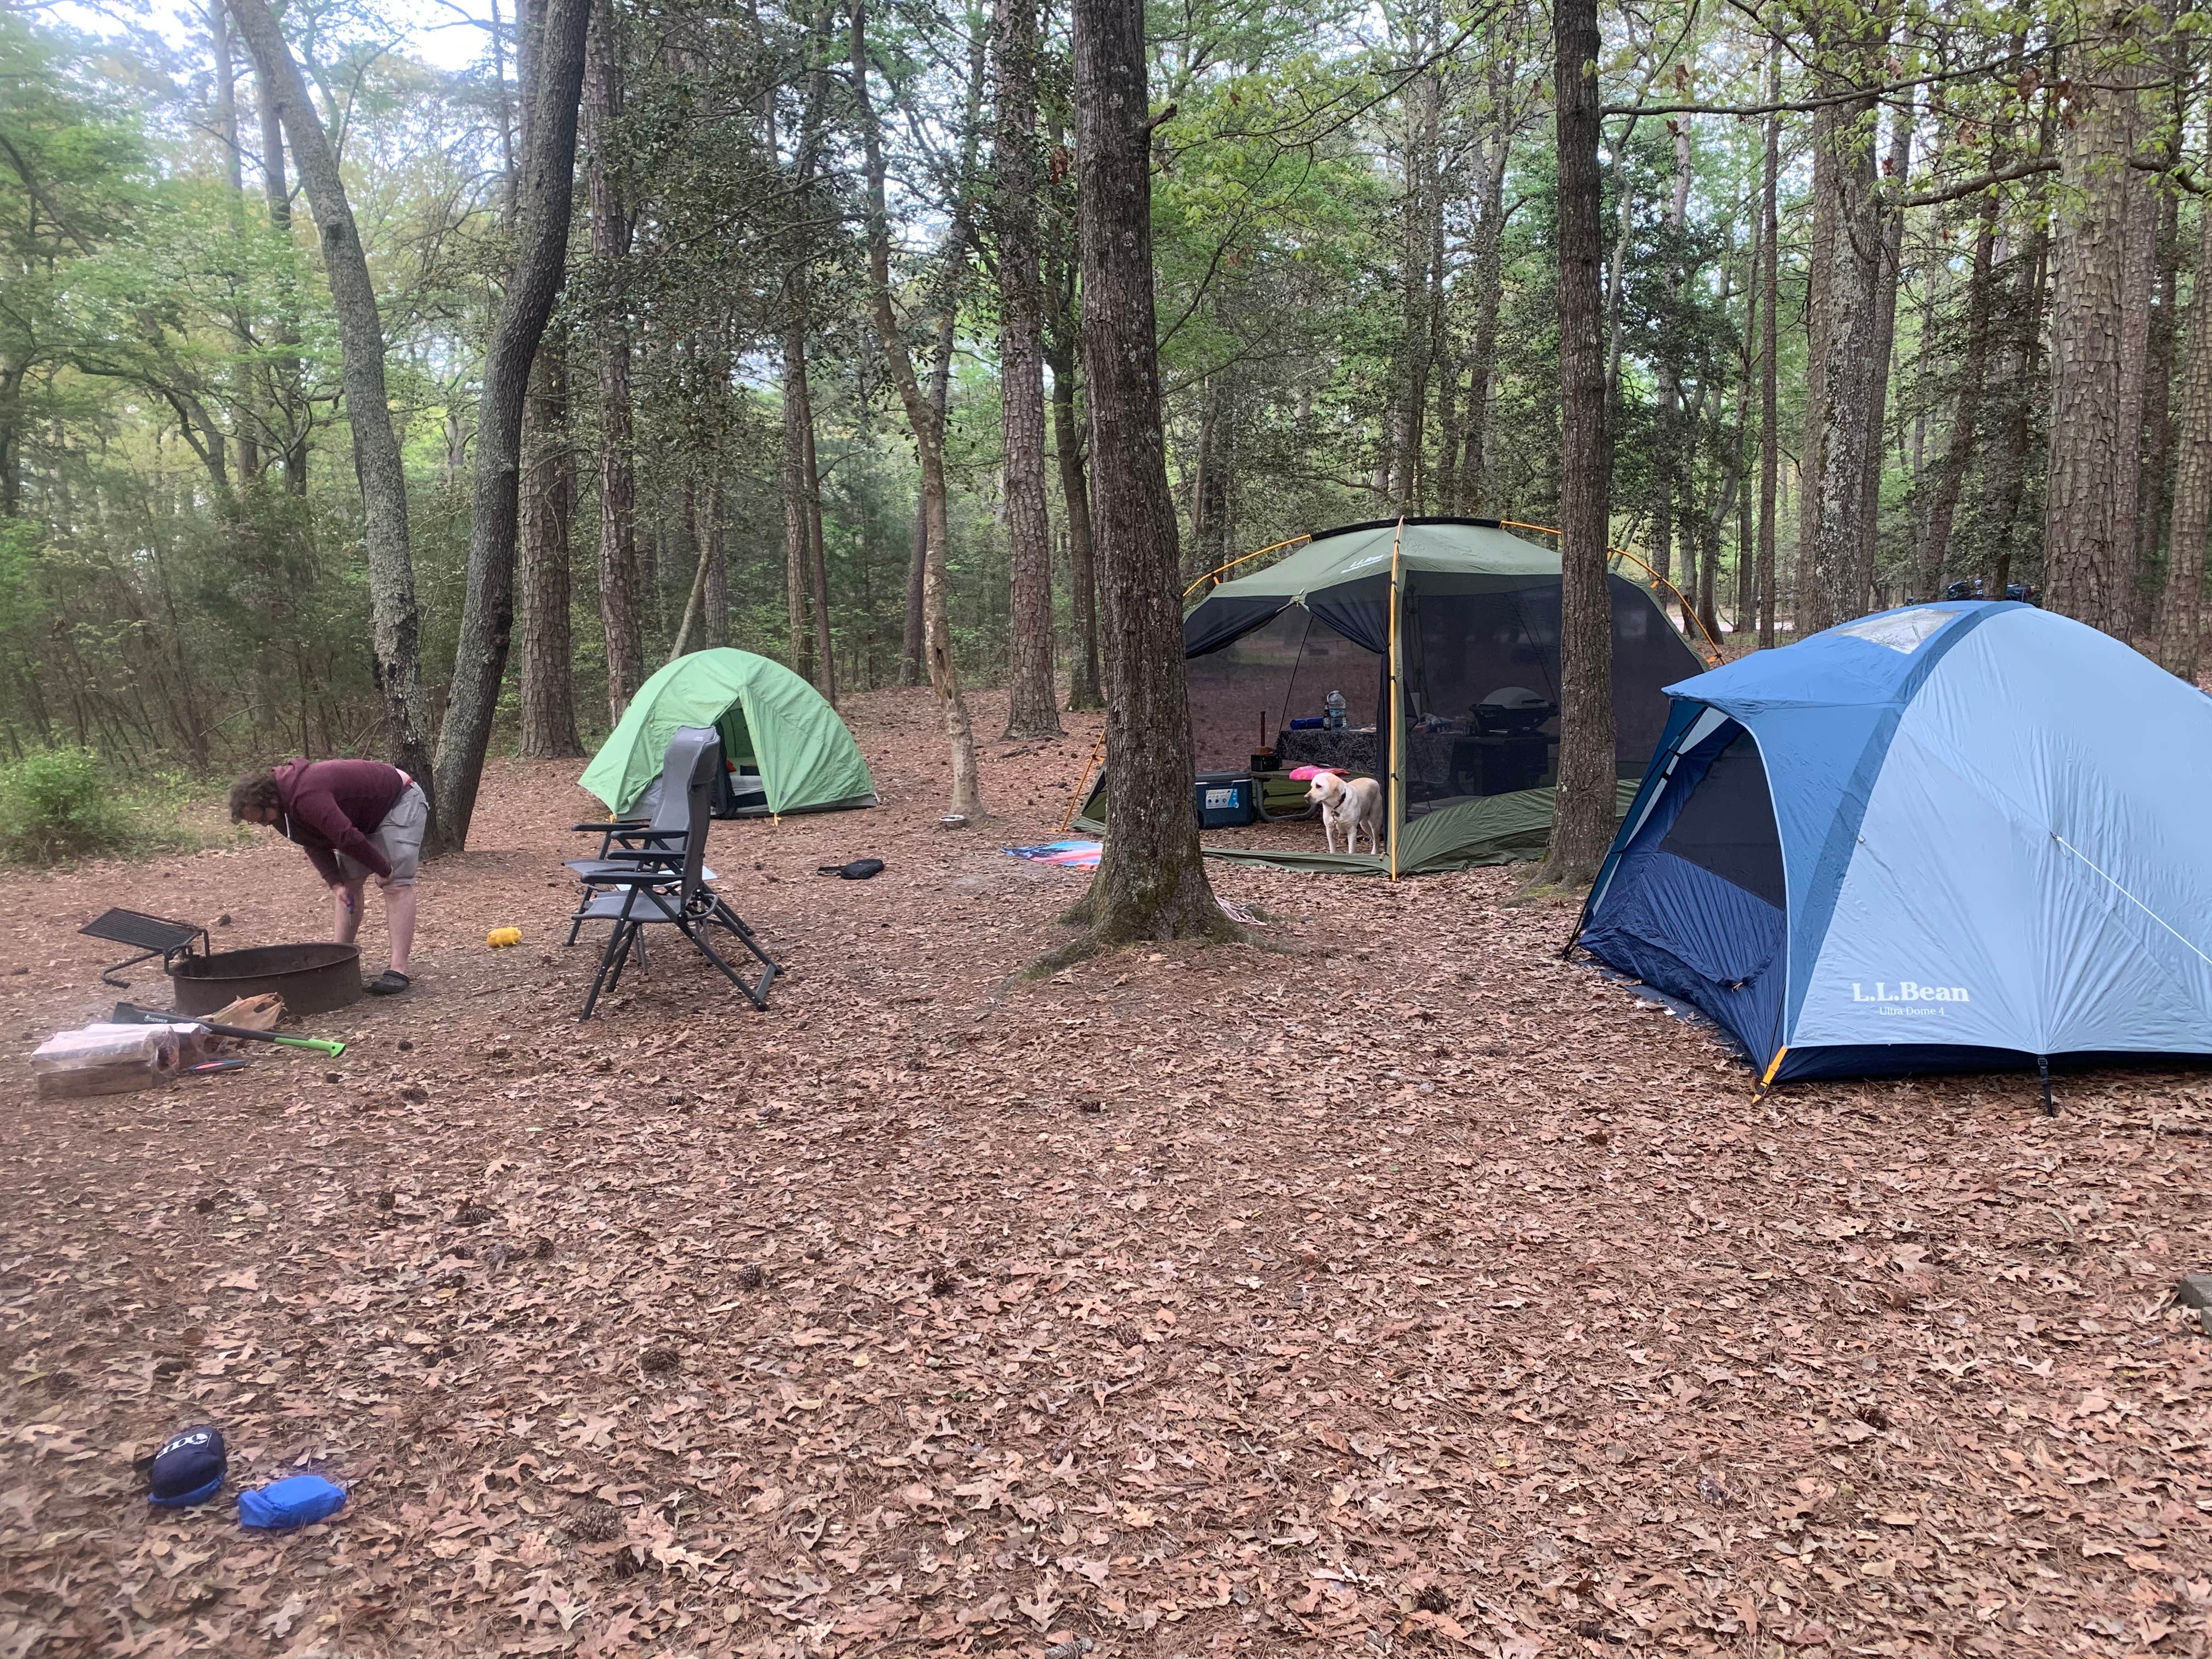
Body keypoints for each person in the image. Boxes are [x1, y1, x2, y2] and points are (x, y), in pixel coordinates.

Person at [228, 759, 427, 996]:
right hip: (361, 817)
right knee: (349, 886)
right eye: (256, 822)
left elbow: (346, 837)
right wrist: (336, 884)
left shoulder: (306, 795)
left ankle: (399, 969)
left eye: (261, 818)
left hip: (399, 799)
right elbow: (311, 842)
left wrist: (384, 869)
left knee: (395, 884)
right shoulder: (280, 813)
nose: (262, 824)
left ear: (268, 799)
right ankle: (339, 959)